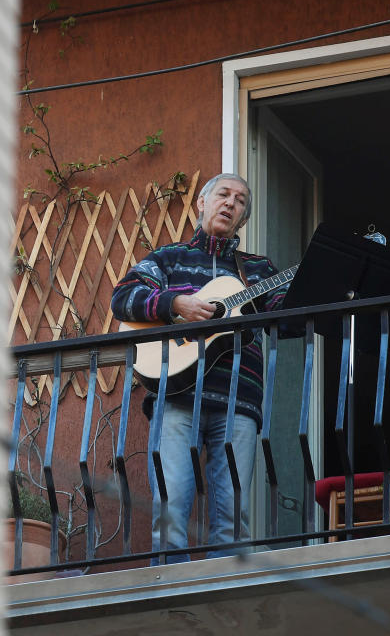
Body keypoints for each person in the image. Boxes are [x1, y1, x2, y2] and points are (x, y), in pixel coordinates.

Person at [110, 173, 288, 563]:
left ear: (243, 218)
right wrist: (176, 304)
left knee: (233, 518)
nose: (231, 203)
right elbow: (123, 298)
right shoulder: (168, 258)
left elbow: (288, 318)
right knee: (170, 509)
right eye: (223, 194)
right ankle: (173, 604)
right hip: (175, 397)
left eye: (241, 201)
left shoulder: (257, 270)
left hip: (238, 402)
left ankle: (225, 607)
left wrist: (321, 286)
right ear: (201, 204)